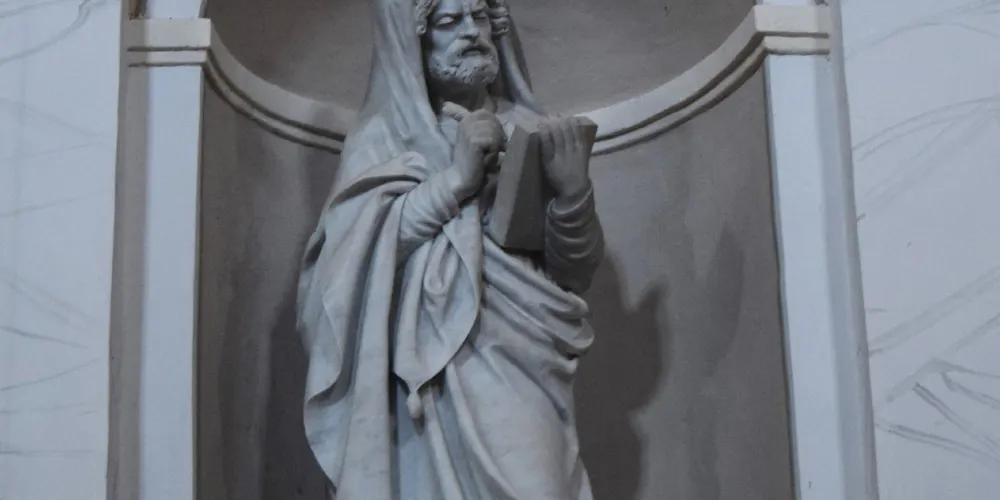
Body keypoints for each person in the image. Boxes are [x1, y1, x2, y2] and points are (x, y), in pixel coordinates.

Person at [296, 0, 604, 498]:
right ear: (413, 40)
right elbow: (347, 267)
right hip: (422, 372)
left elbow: (573, 272)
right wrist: (457, 180)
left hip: (522, 354)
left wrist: (572, 194)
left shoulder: (531, 127)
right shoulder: (383, 139)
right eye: (448, 20)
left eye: (479, 16)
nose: (471, 32)